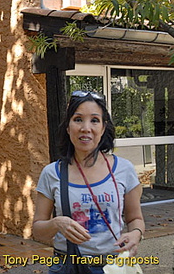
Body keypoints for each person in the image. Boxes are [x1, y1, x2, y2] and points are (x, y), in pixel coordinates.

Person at [33, 91, 145, 274]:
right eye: (78, 119)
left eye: (94, 120)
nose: (86, 128)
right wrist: (57, 223)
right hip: (66, 266)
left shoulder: (124, 169)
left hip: (113, 267)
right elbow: (38, 229)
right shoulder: (52, 173)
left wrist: (136, 234)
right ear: (68, 127)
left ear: (103, 127)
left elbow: (135, 219)